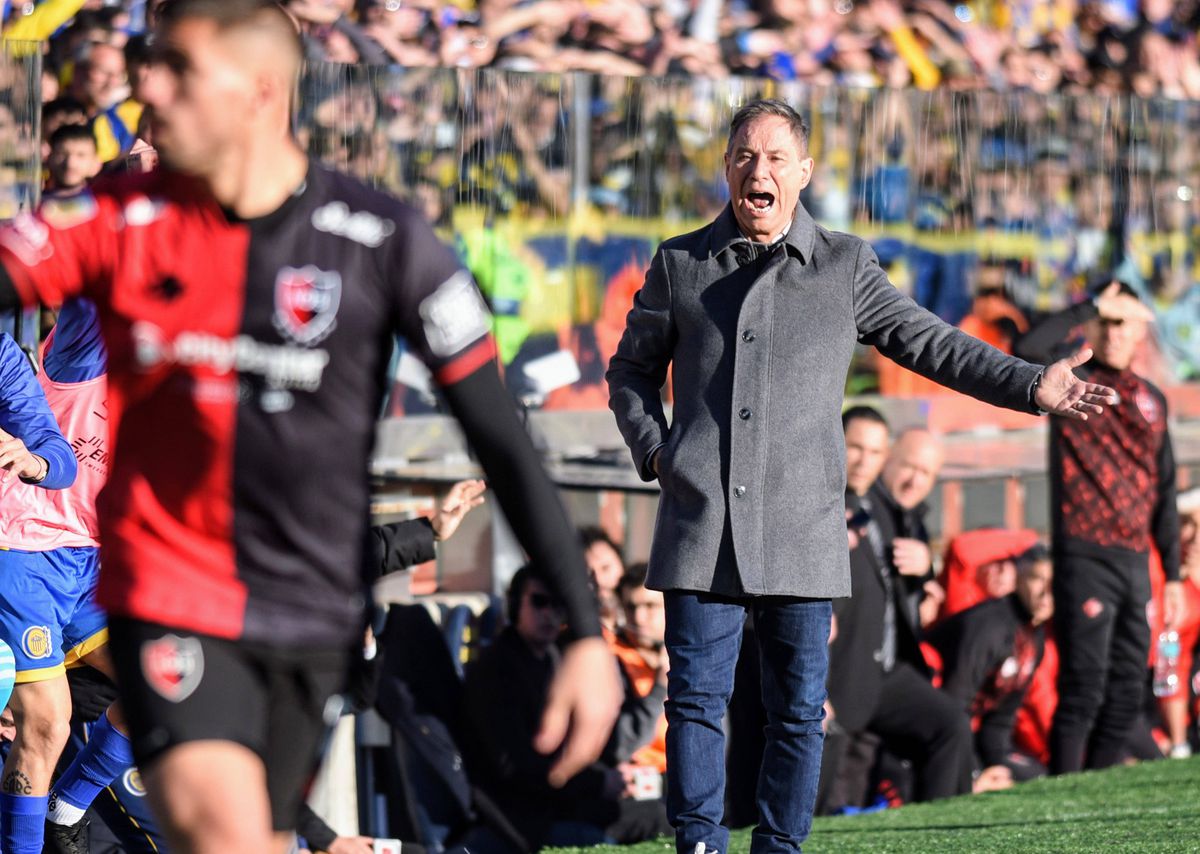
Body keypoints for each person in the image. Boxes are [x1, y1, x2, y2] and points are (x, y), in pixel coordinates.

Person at [0, 3, 620, 852]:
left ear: (259, 90)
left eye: (179, 71)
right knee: (217, 825)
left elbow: (502, 439)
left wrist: (587, 631)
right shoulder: (117, 220)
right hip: (166, 591)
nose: (149, 88)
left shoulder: (382, 239)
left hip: (301, 603)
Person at [606, 98, 1116, 854]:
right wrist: (658, 454)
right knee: (697, 705)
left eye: (777, 157)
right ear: (726, 167)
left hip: (806, 528)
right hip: (701, 522)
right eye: (746, 155)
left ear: (804, 173)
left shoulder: (846, 266)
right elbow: (629, 372)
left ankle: (780, 847)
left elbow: (932, 343)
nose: (760, 170)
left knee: (798, 712)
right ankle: (699, 845)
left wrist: (1029, 383)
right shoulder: (681, 263)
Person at [1015, 279, 1183, 774]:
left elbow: (1165, 488)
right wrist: (1091, 304)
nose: (1113, 332)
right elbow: (1027, 347)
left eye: (1122, 321)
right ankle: (1065, 787)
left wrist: (1172, 574)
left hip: (1135, 560)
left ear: (1140, 331)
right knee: (1084, 685)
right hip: (1084, 554)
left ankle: (1098, 783)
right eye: (1105, 322)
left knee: (1130, 687)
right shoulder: (1071, 385)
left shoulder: (1153, 399)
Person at [822, 413, 972, 812]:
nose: (914, 480)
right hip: (836, 672)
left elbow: (901, 583)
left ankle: (940, 832)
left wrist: (927, 568)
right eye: (908, 466)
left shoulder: (903, 514)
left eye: (927, 473)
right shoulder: (835, 502)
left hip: (882, 669)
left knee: (949, 724)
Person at [926, 544, 1055, 782]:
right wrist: (976, 773)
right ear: (1018, 577)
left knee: (1039, 777)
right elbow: (953, 707)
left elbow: (1001, 720)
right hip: (933, 735)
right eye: (1038, 579)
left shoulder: (1034, 634)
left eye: (1055, 582)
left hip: (968, 736)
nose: (1047, 592)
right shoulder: (989, 626)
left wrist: (998, 765)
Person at [45, 125, 102, 196]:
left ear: (96, 163)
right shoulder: (34, 204)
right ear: (49, 157)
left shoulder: (103, 204)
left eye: (81, 155)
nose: (70, 164)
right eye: (62, 154)